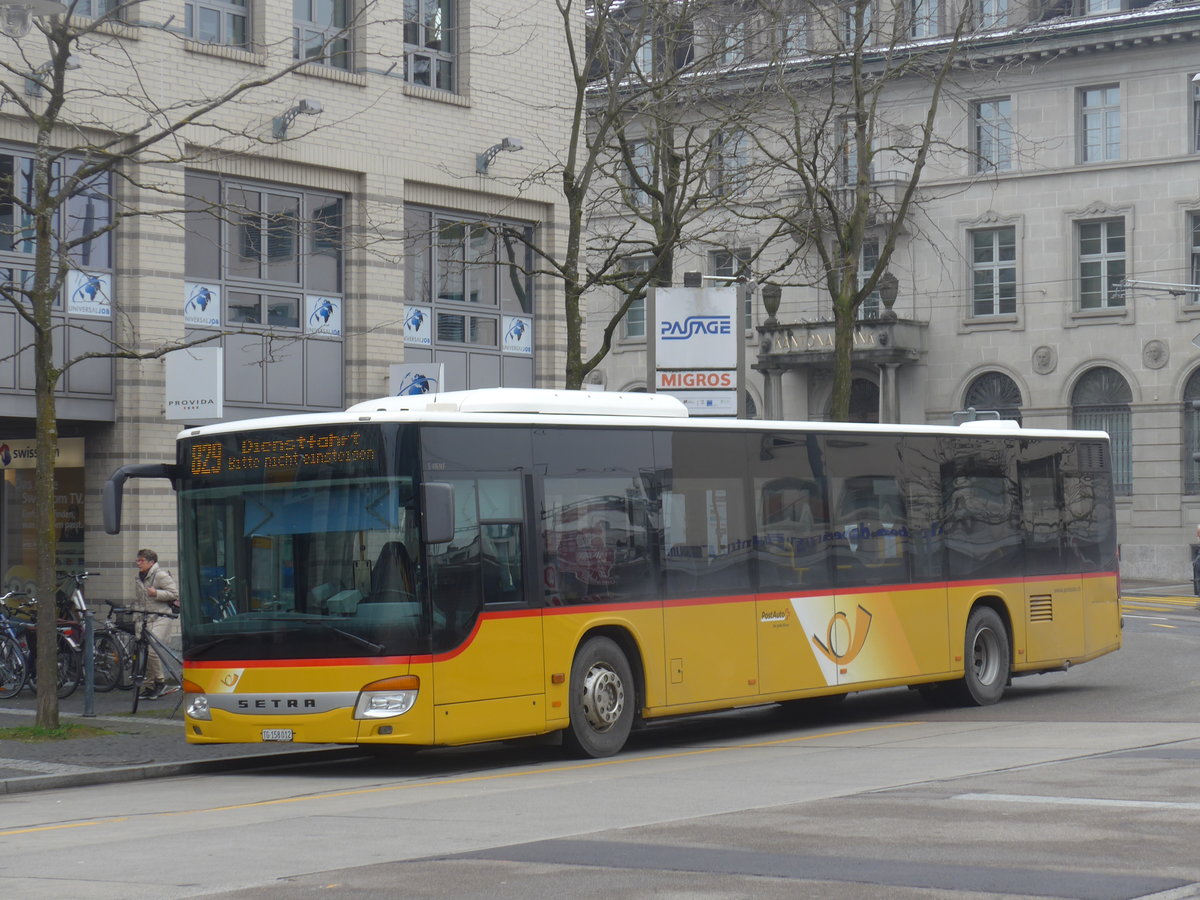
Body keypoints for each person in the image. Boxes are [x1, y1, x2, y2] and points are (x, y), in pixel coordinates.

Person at [132, 549, 180, 700]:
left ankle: (160, 682)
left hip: (161, 616)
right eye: (138, 560)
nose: (138, 563)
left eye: (142, 560)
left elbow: (175, 594)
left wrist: (157, 593)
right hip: (145, 617)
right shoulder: (139, 577)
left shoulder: (160, 575)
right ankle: (149, 686)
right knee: (143, 651)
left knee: (152, 650)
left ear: (151, 562)